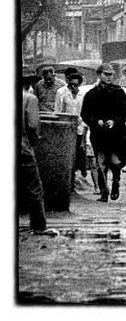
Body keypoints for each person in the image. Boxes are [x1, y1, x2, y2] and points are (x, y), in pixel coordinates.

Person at [81, 63, 126, 202]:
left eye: (111, 75)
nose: (109, 77)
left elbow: (125, 112)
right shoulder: (91, 94)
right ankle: (104, 191)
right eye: (106, 74)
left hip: (117, 135)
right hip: (99, 134)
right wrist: (96, 121)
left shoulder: (119, 92)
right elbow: (85, 113)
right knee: (100, 163)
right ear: (99, 75)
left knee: (115, 162)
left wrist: (115, 121)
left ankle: (115, 181)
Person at [19, 68, 58, 236]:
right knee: (34, 188)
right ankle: (38, 226)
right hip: (23, 150)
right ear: (30, 83)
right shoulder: (29, 99)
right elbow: (33, 126)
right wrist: (33, 142)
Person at [54, 72, 91, 192]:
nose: (74, 87)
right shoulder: (61, 92)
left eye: (76, 84)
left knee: (79, 153)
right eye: (71, 84)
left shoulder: (83, 94)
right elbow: (58, 110)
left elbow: (85, 112)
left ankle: (76, 178)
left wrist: (84, 127)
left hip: (80, 128)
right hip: (66, 128)